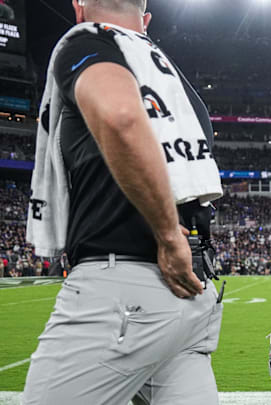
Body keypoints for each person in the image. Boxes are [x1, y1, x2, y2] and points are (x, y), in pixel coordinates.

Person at [23, 1, 224, 404]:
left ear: (79, 7)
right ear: (145, 20)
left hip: (122, 290)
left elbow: (119, 115)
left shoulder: (84, 41)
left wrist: (167, 235)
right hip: (191, 292)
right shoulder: (176, 85)